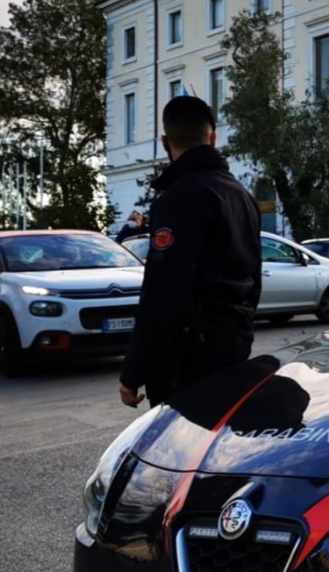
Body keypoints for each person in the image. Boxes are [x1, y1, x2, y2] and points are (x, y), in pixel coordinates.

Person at [118, 95, 262, 409]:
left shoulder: (178, 198)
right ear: (212, 138)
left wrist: (133, 371)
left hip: (186, 360)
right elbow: (254, 277)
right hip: (234, 346)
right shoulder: (242, 195)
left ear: (165, 141)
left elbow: (164, 291)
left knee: (180, 451)